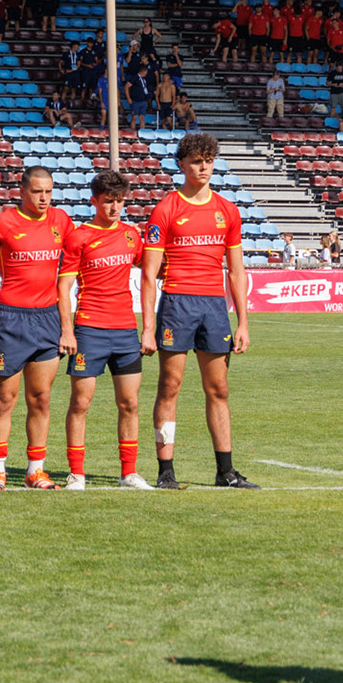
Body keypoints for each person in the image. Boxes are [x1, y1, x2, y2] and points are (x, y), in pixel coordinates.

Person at [139, 132, 257, 491]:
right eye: (195, 161)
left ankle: (226, 472)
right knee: (170, 386)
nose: (202, 167)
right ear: (181, 165)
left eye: (207, 160)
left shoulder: (227, 210)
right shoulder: (166, 209)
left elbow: (236, 271)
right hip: (177, 303)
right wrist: (147, 328)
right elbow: (147, 274)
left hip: (213, 308)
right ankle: (166, 471)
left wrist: (243, 323)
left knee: (218, 389)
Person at [0, 166, 72, 489]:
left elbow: (76, 256)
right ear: (22, 191)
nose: (44, 198)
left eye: (49, 192)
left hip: (47, 319)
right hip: (11, 319)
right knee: (4, 398)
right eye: (37, 191)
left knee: (40, 398)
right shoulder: (1, 223)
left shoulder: (61, 222)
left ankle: (35, 470)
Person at [57, 171, 153, 492]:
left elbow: (151, 267)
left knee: (130, 404)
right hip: (89, 331)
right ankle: (77, 474)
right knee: (80, 403)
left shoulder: (131, 234)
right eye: (108, 201)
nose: (115, 207)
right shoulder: (79, 236)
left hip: (126, 331)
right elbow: (64, 285)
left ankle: (129, 473)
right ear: (94, 201)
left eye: (120, 201)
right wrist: (67, 331)